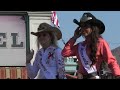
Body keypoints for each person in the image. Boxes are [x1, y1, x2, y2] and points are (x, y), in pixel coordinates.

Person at [62, 12, 120, 79]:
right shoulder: (80, 46)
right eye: (81, 26)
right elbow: (64, 53)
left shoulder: (101, 43)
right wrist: (74, 37)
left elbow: (111, 61)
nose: (83, 29)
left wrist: (117, 75)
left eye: (86, 26)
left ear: (93, 28)